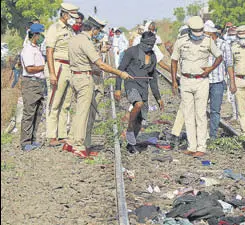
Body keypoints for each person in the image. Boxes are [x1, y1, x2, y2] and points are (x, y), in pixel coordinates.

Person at [65, 16, 133, 158]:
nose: (98, 33)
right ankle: (79, 145)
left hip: (74, 76)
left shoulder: (74, 39)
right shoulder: (86, 42)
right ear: (93, 29)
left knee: (78, 111)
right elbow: (100, 64)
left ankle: (71, 141)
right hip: (85, 78)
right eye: (98, 30)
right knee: (84, 113)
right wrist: (120, 73)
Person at [171, 16, 222, 157]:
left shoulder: (208, 40)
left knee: (200, 114)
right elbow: (174, 61)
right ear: (189, 30)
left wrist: (210, 69)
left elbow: (219, 56)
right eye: (196, 30)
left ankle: (201, 146)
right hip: (186, 80)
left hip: (202, 81)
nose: (198, 33)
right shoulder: (181, 42)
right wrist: (174, 80)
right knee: (188, 114)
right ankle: (191, 146)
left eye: (200, 30)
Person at [115, 31, 164, 154]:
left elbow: (153, 79)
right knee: (138, 104)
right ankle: (129, 128)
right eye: (147, 43)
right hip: (131, 84)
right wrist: (117, 88)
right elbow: (120, 70)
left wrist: (158, 98)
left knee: (140, 118)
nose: (149, 46)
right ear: (142, 41)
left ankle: (131, 144)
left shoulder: (153, 57)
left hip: (144, 86)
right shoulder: (131, 52)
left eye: (151, 44)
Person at [45, 2, 79, 147]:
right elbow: (49, 51)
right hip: (58, 66)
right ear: (64, 14)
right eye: (72, 16)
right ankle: (52, 135)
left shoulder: (71, 30)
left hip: (69, 67)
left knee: (66, 103)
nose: (74, 19)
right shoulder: (55, 28)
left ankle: (62, 134)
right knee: (54, 102)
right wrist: (52, 73)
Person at [204, 20, 234, 140]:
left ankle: (212, 136)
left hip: (218, 82)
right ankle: (202, 134)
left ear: (212, 33)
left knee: (215, 111)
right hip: (204, 81)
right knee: (200, 109)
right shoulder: (202, 44)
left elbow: (229, 64)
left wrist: (232, 82)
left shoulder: (223, 45)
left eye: (206, 33)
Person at [20, 23, 46, 151]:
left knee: (38, 112)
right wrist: (45, 67)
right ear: (35, 35)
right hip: (30, 82)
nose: (42, 36)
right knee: (29, 113)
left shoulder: (37, 49)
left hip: (38, 83)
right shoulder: (28, 49)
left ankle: (33, 139)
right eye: (40, 34)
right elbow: (29, 68)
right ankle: (25, 142)